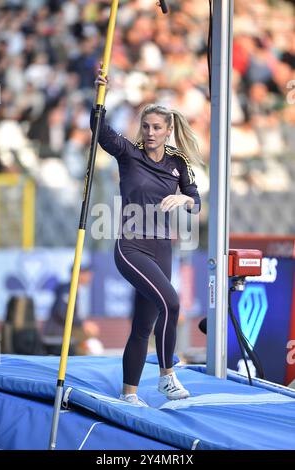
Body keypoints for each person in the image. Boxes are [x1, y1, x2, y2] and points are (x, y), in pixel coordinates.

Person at [91, 67, 201, 406]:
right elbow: (100, 131)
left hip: (162, 248)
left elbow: (195, 202)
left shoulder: (179, 162)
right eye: (146, 126)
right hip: (131, 246)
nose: (150, 132)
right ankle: (167, 376)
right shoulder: (129, 153)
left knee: (143, 325)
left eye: (156, 128)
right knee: (171, 302)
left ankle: (129, 394)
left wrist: (184, 198)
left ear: (168, 131)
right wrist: (100, 96)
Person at [43, 265, 103, 355]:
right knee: (91, 343)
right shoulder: (68, 289)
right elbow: (62, 312)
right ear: (77, 274)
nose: (89, 276)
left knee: (91, 339)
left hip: (67, 329)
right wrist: (83, 324)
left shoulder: (75, 289)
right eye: (85, 273)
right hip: (59, 330)